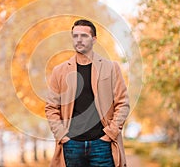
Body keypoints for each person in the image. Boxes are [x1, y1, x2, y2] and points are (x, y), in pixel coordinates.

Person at [45, 19, 130, 167]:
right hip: (71, 145)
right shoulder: (59, 71)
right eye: (75, 36)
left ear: (94, 39)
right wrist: (61, 135)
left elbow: (122, 104)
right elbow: (51, 107)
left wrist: (110, 133)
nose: (79, 40)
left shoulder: (111, 68)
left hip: (102, 144)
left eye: (84, 36)